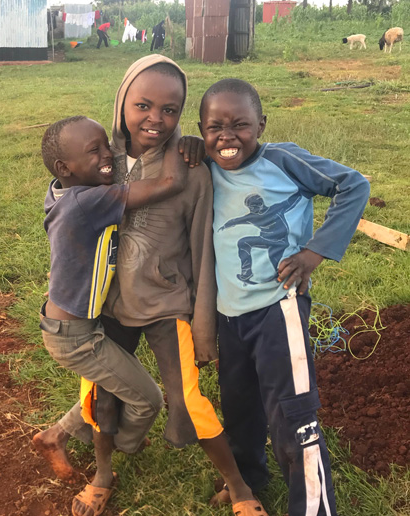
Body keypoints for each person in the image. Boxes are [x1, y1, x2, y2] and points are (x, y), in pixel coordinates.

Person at [34, 56, 266, 516]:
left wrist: (202, 325)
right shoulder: (100, 161)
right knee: (99, 395)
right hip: (105, 310)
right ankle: (103, 475)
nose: (155, 119)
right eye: (143, 105)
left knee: (190, 399)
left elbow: (202, 248)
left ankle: (238, 486)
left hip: (166, 305)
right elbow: (61, 206)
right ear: (122, 102)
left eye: (170, 110)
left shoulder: (192, 168)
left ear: (183, 116)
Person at [196, 78, 370, 516]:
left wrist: (313, 254)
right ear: (200, 130)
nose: (227, 136)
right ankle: (249, 479)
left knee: (293, 414)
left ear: (262, 125)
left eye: (240, 125)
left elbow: (354, 186)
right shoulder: (203, 165)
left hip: (279, 308)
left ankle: (312, 506)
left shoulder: (283, 160)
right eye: (214, 126)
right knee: (239, 406)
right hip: (229, 315)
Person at [39, 115, 190, 516]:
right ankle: (123, 444)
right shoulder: (90, 200)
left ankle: (56, 434)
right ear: (64, 169)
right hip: (75, 336)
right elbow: (169, 184)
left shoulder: (60, 193)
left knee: (112, 385)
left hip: (68, 324)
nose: (109, 156)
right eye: (95, 152)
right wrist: (174, 135)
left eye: (107, 145)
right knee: (147, 400)